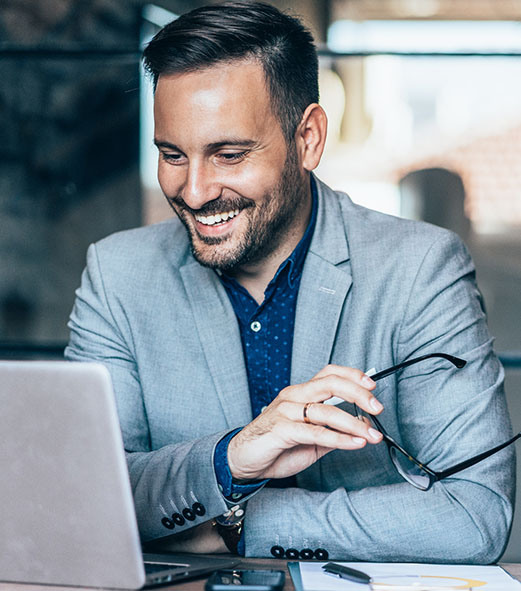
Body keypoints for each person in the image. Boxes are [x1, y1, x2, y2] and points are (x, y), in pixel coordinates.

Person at [65, 1, 515, 562]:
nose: (196, 191)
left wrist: (240, 523)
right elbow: (86, 497)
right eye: (172, 154)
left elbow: (476, 514)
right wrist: (231, 458)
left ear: (308, 139)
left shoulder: (421, 269)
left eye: (229, 155)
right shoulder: (116, 275)